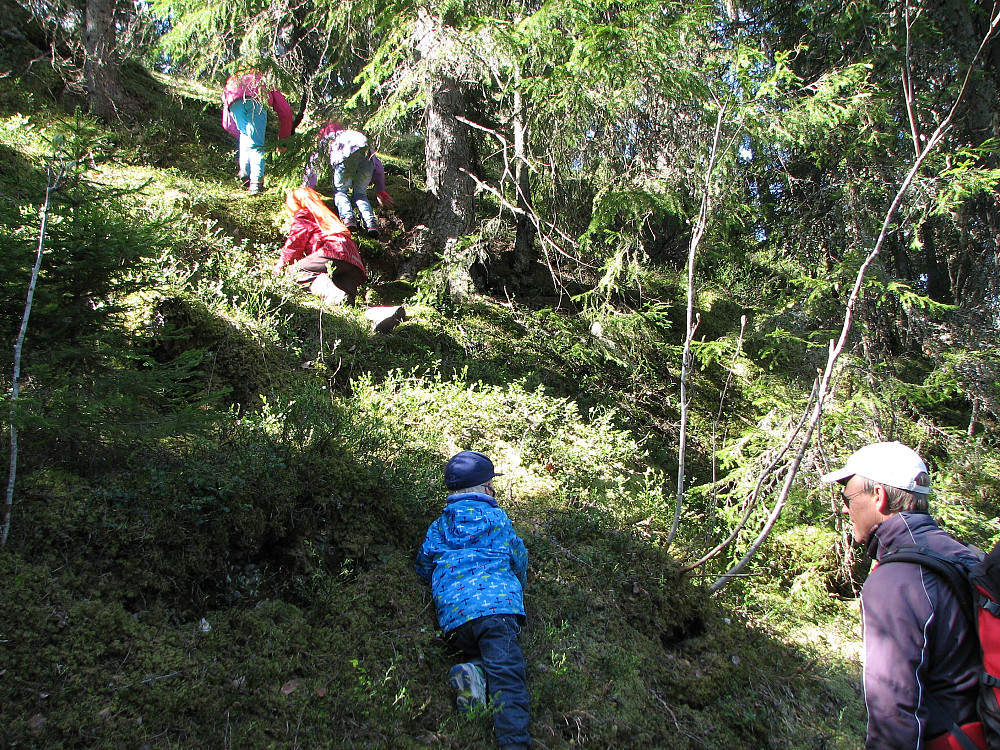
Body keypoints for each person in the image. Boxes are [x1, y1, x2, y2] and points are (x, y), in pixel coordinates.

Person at [822, 441, 982, 750]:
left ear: (878, 497)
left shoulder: (896, 580)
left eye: (848, 496)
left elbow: (893, 708)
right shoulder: (964, 555)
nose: (844, 507)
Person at [415, 451, 531, 750]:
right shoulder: (498, 519)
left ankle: (475, 672)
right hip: (498, 612)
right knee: (508, 677)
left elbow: (423, 564)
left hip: (455, 619)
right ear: (485, 487)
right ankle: (514, 743)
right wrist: (520, 585)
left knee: (481, 653)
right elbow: (519, 557)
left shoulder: (440, 525)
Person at [273, 187, 366, 306]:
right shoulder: (326, 216)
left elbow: (293, 246)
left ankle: (332, 293)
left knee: (294, 273)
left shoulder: (304, 216)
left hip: (332, 251)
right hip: (354, 261)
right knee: (346, 302)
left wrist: (279, 270)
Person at [304, 122, 393, 239]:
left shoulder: (328, 139)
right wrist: (380, 190)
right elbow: (377, 164)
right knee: (361, 194)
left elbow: (313, 164)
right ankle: (371, 223)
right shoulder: (355, 135)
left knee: (341, 191)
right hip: (366, 159)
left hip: (345, 158)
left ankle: (349, 218)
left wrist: (306, 188)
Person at [221, 70, 294, 195]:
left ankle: (244, 171)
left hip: (233, 102)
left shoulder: (234, 80)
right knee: (257, 142)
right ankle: (256, 183)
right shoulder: (264, 79)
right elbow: (286, 113)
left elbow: (227, 123)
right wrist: (282, 141)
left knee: (246, 134)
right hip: (256, 100)